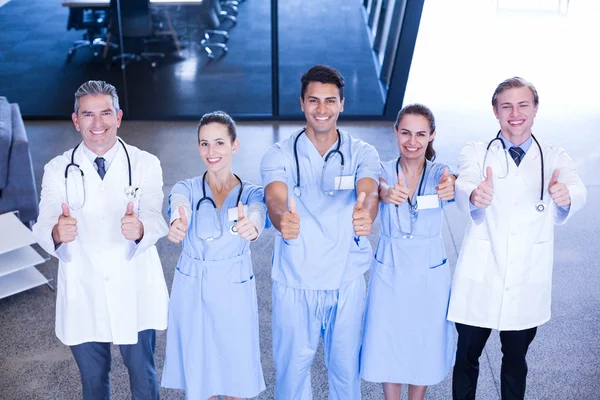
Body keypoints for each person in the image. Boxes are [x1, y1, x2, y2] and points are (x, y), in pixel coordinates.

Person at [448, 77, 587, 400]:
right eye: (506, 106)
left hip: (527, 278)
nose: (515, 113)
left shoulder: (553, 156)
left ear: (535, 109)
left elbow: (576, 186)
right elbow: (465, 180)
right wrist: (473, 195)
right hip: (480, 277)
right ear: (495, 111)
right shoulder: (478, 151)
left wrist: (566, 196)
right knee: (466, 358)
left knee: (515, 361)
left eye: (523, 105)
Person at [32, 80, 169, 400]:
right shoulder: (56, 169)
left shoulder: (145, 163)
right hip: (84, 287)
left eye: (105, 113)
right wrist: (56, 233)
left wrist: (141, 230)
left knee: (143, 377)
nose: (98, 124)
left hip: (134, 286)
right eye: (88, 115)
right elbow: (43, 223)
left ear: (118, 116)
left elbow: (156, 217)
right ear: (76, 120)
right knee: (93, 382)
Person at [260, 65, 380, 399]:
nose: (322, 109)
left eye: (330, 101)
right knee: (292, 372)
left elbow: (369, 190)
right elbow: (274, 195)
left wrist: (366, 212)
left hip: (345, 277)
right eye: (314, 100)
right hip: (295, 279)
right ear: (302, 103)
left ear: (342, 103)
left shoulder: (362, 152)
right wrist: (282, 217)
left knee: (345, 371)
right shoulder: (279, 153)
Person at [161, 111, 266, 400]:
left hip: (234, 289)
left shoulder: (251, 193)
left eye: (219, 143)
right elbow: (177, 206)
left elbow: (258, 215)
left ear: (235, 146)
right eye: (204, 143)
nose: (211, 151)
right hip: (193, 289)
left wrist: (252, 226)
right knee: (200, 373)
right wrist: (177, 224)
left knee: (236, 371)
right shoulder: (187, 188)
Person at [360, 104, 456, 400]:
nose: (412, 141)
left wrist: (452, 184)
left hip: (429, 271)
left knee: (424, 339)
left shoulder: (440, 172)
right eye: (405, 133)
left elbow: (452, 181)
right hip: (391, 266)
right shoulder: (383, 171)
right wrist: (386, 192)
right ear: (395, 133)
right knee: (387, 336)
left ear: (432, 136)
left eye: (420, 134)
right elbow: (378, 186)